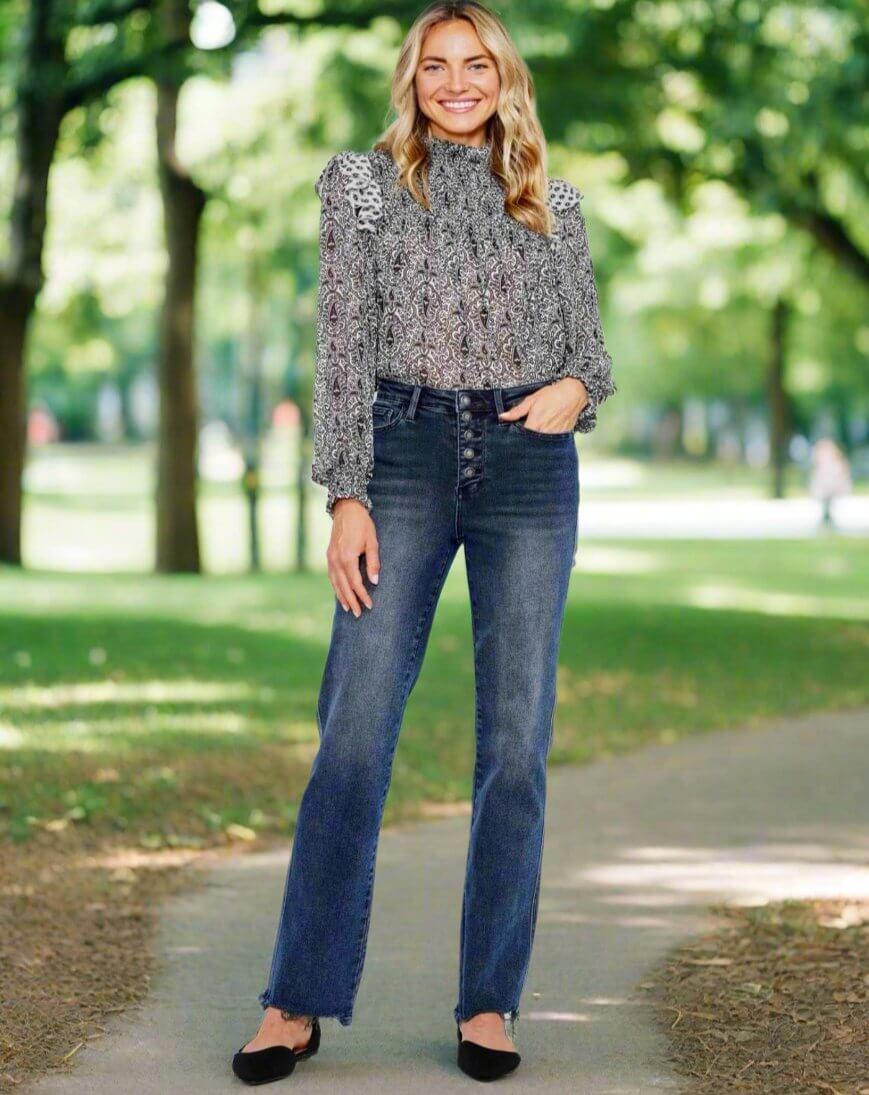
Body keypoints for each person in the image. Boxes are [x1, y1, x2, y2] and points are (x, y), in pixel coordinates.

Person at [231, 0, 617, 1084]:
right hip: (398, 456)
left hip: (526, 470)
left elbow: (591, 355)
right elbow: (341, 343)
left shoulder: (555, 204)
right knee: (352, 731)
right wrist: (343, 494)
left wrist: (575, 388)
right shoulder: (359, 187)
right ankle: (294, 1000)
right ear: (411, 78)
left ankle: (488, 1002)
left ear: (505, 80)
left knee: (514, 748)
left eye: (477, 64)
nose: (457, 82)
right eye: (437, 65)